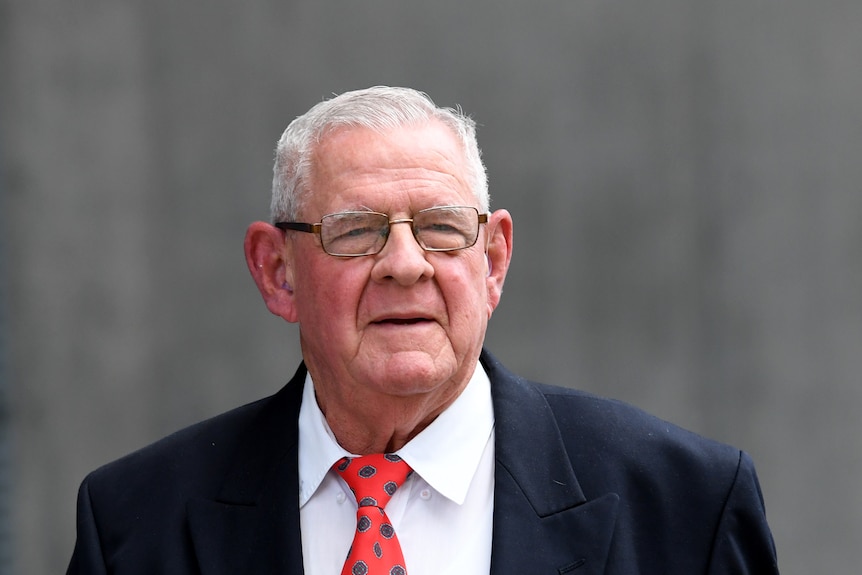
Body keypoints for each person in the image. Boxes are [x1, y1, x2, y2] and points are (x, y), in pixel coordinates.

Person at [67, 86, 779, 575]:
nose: (405, 265)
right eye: (356, 231)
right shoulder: (137, 523)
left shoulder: (686, 509)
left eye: (441, 227)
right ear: (277, 271)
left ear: (493, 260)